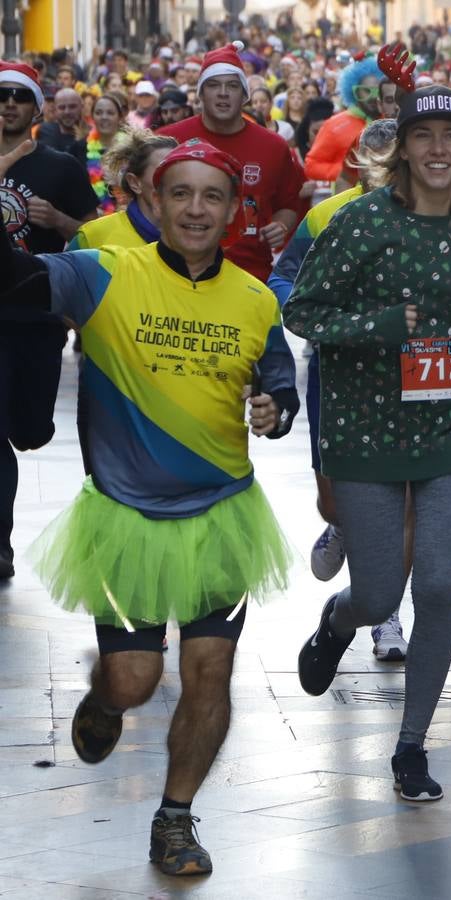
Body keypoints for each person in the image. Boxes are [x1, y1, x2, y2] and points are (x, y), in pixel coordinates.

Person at [2, 135, 298, 875]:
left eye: (213, 196)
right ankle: (104, 701)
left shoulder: (256, 298)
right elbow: (18, 281)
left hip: (223, 515)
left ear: (233, 210)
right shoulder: (102, 274)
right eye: (182, 193)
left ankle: (176, 819)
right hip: (126, 519)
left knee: (209, 674)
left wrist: (275, 410)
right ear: (152, 201)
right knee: (134, 681)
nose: (197, 209)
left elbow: (281, 383)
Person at [288, 48, 451, 802]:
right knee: (378, 595)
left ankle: (411, 746)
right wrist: (378, 326)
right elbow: (302, 311)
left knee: (437, 587)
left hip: (450, 434)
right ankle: (339, 624)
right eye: (424, 137)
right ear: (401, 147)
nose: (440, 150)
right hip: (368, 437)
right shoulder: (360, 223)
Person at [269, 118, 411, 661]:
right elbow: (284, 277)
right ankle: (341, 528)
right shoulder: (328, 214)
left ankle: (387, 618)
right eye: (374, 165)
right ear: (356, 164)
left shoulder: (434, 214)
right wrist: (325, 319)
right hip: (338, 377)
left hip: (406, 380)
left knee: (398, 502)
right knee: (340, 498)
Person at [0, 61, 99, 579]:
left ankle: (30, 425)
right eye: (2, 96)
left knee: (29, 430)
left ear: (36, 108)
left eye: (20, 96)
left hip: (37, 316)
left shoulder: (60, 167)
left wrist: (58, 221)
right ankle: (0, 545)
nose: (9, 104)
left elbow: (96, 234)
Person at [159, 42, 308, 284]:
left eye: (232, 86)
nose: (223, 93)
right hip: (176, 275)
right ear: (201, 93)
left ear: (245, 95)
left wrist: (280, 225)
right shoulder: (168, 141)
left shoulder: (274, 147)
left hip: (251, 278)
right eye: (214, 85)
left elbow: (289, 205)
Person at [69, 128, 177, 249]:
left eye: (179, 171)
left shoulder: (195, 235)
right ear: (135, 183)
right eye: (162, 171)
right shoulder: (94, 236)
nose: (176, 181)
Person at [302, 50, 388, 187]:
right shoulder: (334, 125)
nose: (372, 97)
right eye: (366, 91)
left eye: (377, 90)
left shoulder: (391, 121)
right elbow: (312, 165)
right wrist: (348, 173)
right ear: (354, 91)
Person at [86, 93, 129, 215]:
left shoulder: (132, 149)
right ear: (92, 117)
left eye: (110, 113)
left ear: (120, 117)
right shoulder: (79, 148)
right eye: (99, 113)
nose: (104, 117)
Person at [36, 86, 86, 162]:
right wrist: (79, 143)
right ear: (55, 110)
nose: (67, 112)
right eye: (62, 107)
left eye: (72, 107)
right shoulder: (46, 131)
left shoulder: (93, 134)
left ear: (82, 107)